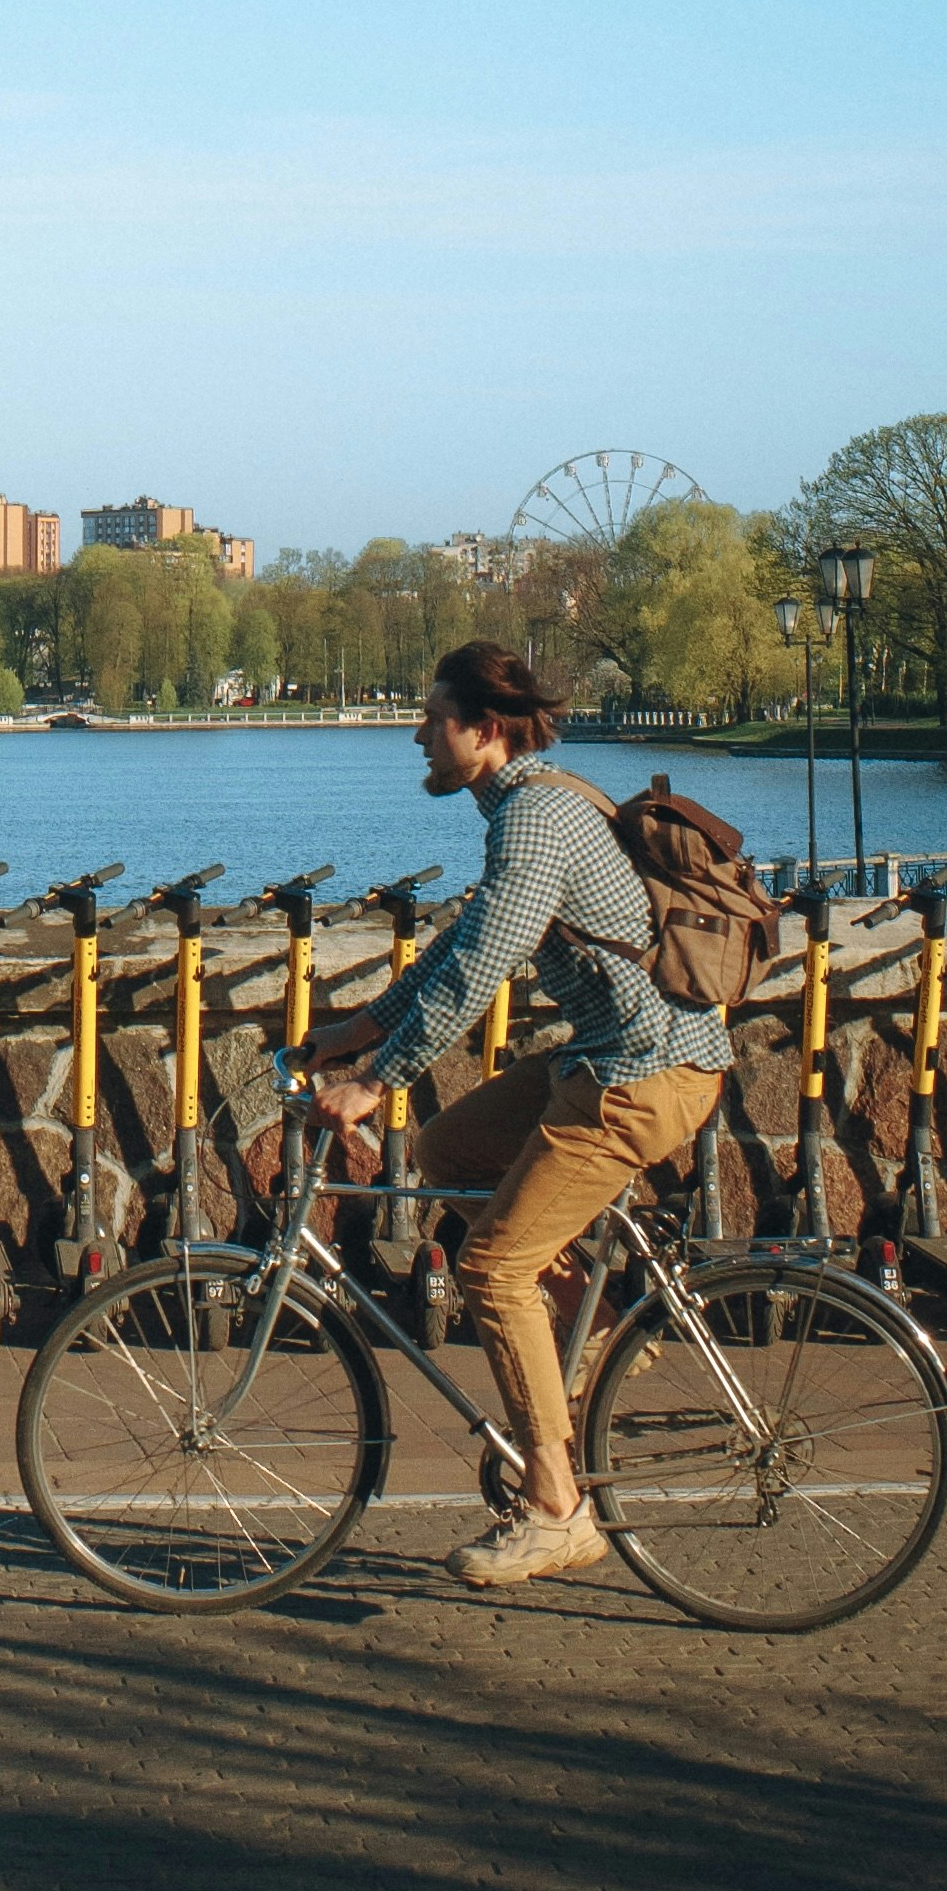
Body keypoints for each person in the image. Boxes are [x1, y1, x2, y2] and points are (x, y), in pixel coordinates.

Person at [302, 639, 730, 1588]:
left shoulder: (535, 816)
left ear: (483, 731)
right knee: (449, 1146)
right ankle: (603, 1330)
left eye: (431, 718)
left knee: (492, 1270)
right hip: (605, 1055)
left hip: (642, 1074)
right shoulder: (536, 803)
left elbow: (480, 973)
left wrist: (375, 1081)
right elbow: (462, 944)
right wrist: (357, 1028)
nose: (417, 734)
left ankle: (556, 1508)